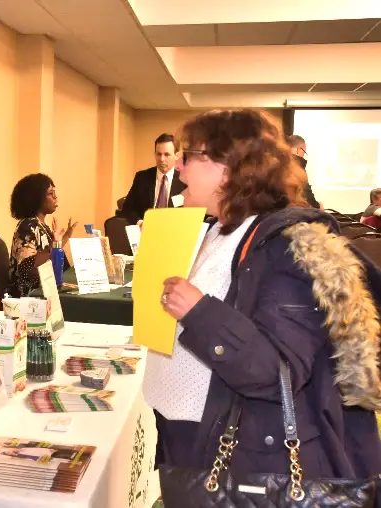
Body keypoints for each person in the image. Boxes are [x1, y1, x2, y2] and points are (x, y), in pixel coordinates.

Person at [143, 110, 381, 487]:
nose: (180, 169)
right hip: (187, 435)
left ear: (229, 168)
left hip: (237, 453)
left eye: (190, 157)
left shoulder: (285, 248)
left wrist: (200, 312)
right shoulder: (216, 230)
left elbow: (277, 371)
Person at [7, 173, 77, 298]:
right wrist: (56, 245)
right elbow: (27, 270)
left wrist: (65, 237)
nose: (56, 197)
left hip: (44, 291)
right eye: (51, 193)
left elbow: (48, 253)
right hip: (29, 299)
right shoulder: (27, 227)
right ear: (36, 198)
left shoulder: (40, 225)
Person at [118, 133, 187, 224]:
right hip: (146, 231)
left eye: (166, 154)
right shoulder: (142, 178)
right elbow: (128, 209)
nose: (162, 159)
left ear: (176, 155)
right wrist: (139, 222)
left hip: (175, 231)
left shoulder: (185, 181)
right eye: (159, 154)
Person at [286, 134, 322, 209]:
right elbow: (306, 194)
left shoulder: (277, 165)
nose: (303, 156)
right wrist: (318, 207)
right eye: (304, 152)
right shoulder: (297, 168)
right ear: (298, 150)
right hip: (294, 214)